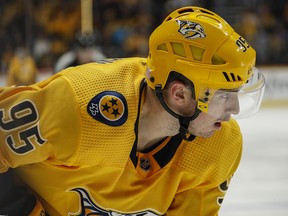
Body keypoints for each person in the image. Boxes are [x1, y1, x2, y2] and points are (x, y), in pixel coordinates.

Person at [0, 6, 265, 216]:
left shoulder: (219, 144)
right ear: (179, 94)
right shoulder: (77, 103)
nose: (234, 110)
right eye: (224, 95)